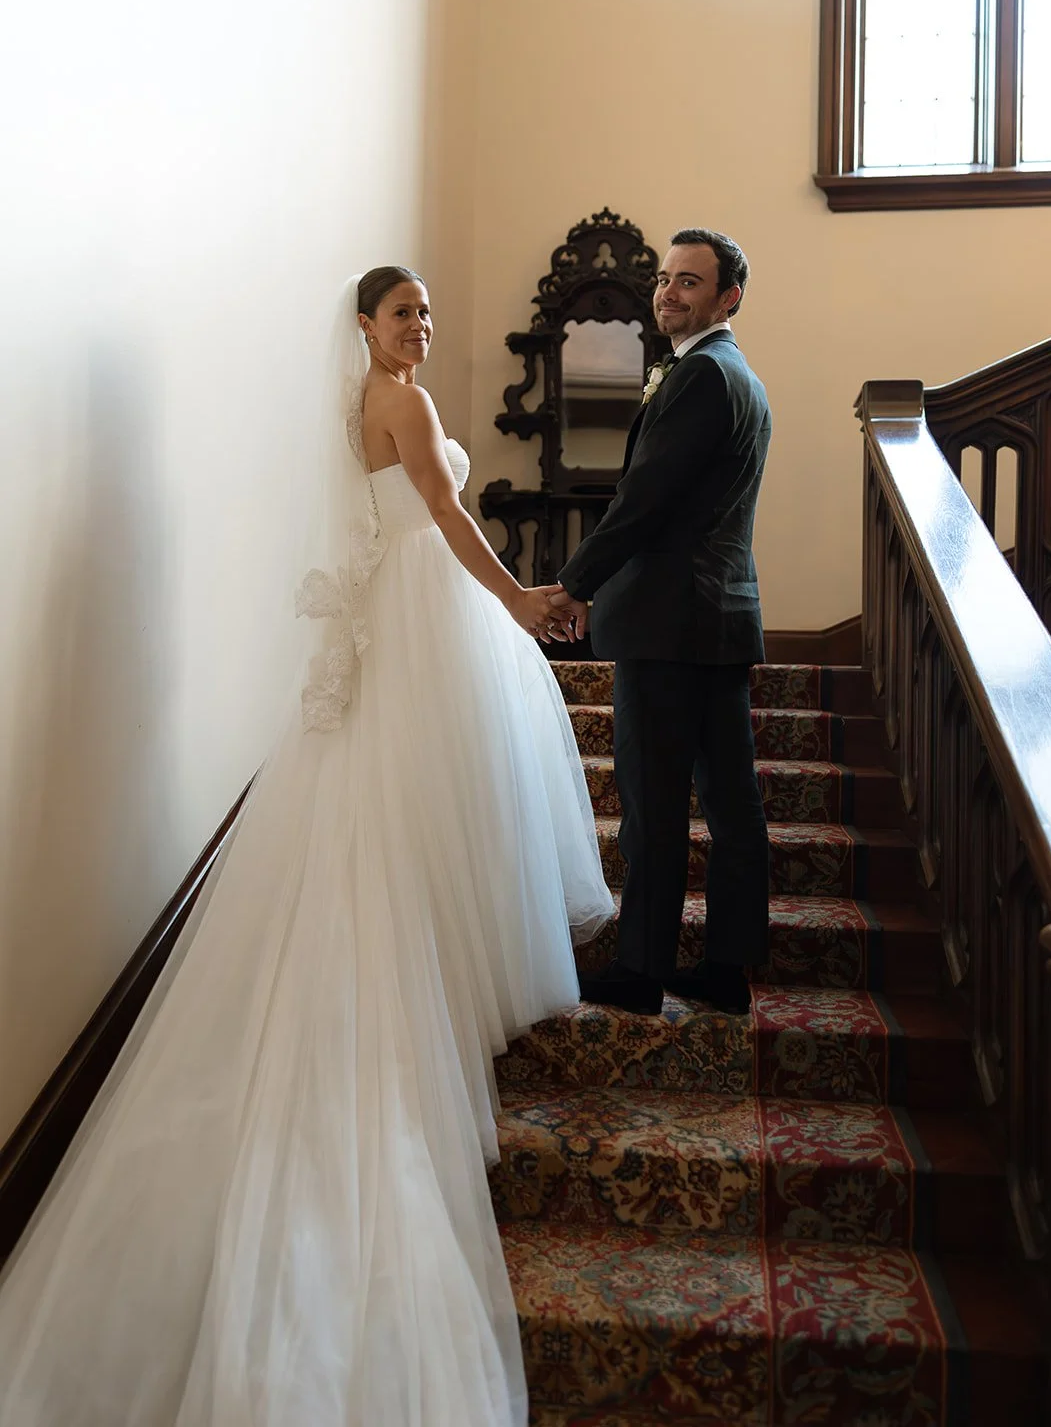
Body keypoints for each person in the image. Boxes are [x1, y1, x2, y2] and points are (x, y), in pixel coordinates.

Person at [0, 268, 613, 1426]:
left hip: (404, 613)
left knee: (412, 800)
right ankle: (424, 988)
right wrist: (518, 601)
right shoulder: (404, 402)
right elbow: (444, 515)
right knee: (424, 797)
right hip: (426, 610)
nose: (419, 327)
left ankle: (436, 970)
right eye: (401, 313)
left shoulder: (361, 400)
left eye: (426, 312)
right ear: (365, 325)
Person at [549, 228, 771, 1017]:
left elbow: (643, 501)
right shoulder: (735, 374)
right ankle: (726, 967)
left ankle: (641, 969)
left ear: (727, 297)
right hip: (716, 618)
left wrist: (574, 585)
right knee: (731, 805)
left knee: (653, 805)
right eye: (665, 278)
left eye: (688, 281)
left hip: (670, 624)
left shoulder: (702, 375)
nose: (668, 292)